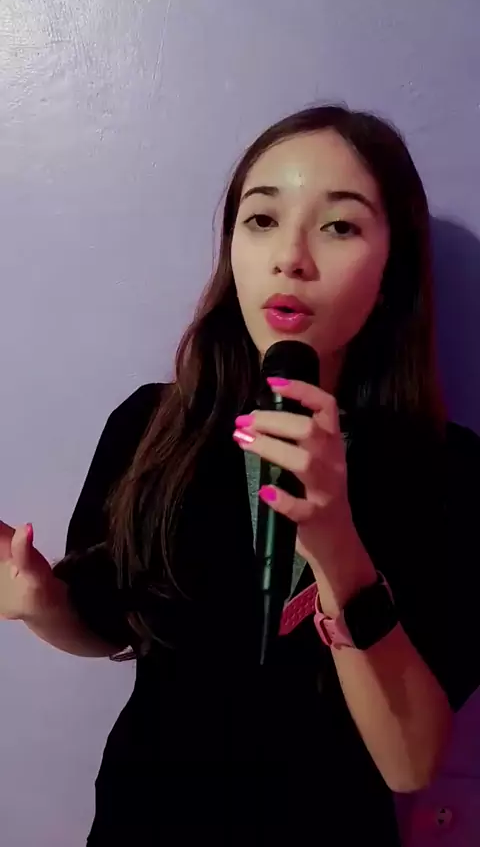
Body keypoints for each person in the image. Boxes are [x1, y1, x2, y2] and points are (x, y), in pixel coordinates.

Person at [1, 105, 480, 847]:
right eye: (261, 219)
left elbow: (409, 762)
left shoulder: (450, 471)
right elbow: (108, 623)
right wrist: (42, 603)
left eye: (339, 226)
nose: (290, 257)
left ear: (393, 271)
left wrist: (337, 544)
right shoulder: (151, 426)